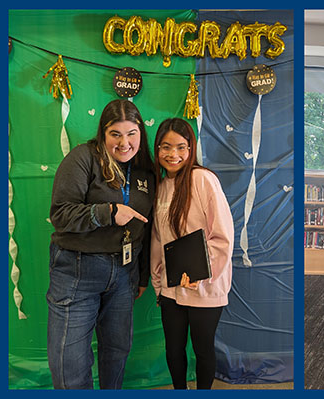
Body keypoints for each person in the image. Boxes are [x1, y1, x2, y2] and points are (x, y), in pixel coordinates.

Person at [47, 99, 155, 389]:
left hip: (123, 273)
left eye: (131, 133)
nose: (124, 143)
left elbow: (148, 226)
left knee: (117, 350)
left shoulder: (144, 171)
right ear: (103, 134)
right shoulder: (83, 158)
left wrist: (141, 275)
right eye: (115, 134)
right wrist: (107, 212)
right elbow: (60, 215)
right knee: (69, 363)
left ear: (140, 134)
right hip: (76, 270)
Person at [150, 118, 234, 389]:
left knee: (203, 349)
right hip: (172, 288)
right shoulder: (161, 188)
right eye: (166, 147)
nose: (173, 155)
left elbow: (222, 235)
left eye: (181, 147)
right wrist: (158, 282)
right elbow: (157, 240)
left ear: (191, 149)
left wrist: (201, 274)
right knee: (173, 349)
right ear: (157, 149)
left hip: (204, 286)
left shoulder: (203, 179)